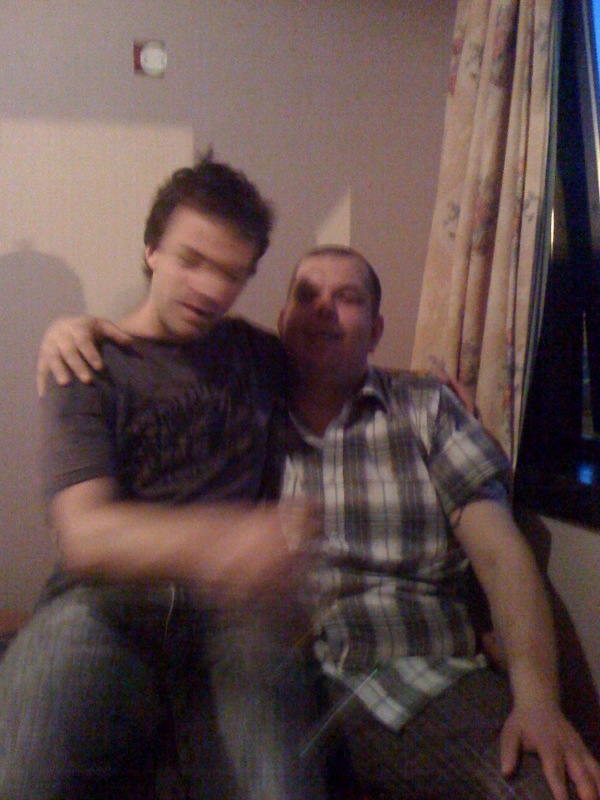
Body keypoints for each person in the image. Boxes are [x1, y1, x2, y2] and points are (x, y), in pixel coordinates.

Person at [34, 246, 600, 800]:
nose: (324, 308)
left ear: (376, 330)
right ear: (283, 320)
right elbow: (158, 360)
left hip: (421, 679)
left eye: (347, 298)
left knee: (549, 788)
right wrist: (80, 330)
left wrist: (538, 703)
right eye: (307, 295)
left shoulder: (427, 409)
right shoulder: (235, 407)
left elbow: (501, 556)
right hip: (270, 682)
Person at [0, 153, 326, 800]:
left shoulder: (258, 355)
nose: (209, 289)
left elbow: (341, 369)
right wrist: (232, 538)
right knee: (27, 764)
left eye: (231, 273)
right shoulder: (88, 363)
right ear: (151, 250)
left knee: (277, 783)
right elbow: (85, 536)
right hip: (100, 602)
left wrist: (431, 386)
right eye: (191, 260)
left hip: (231, 613)